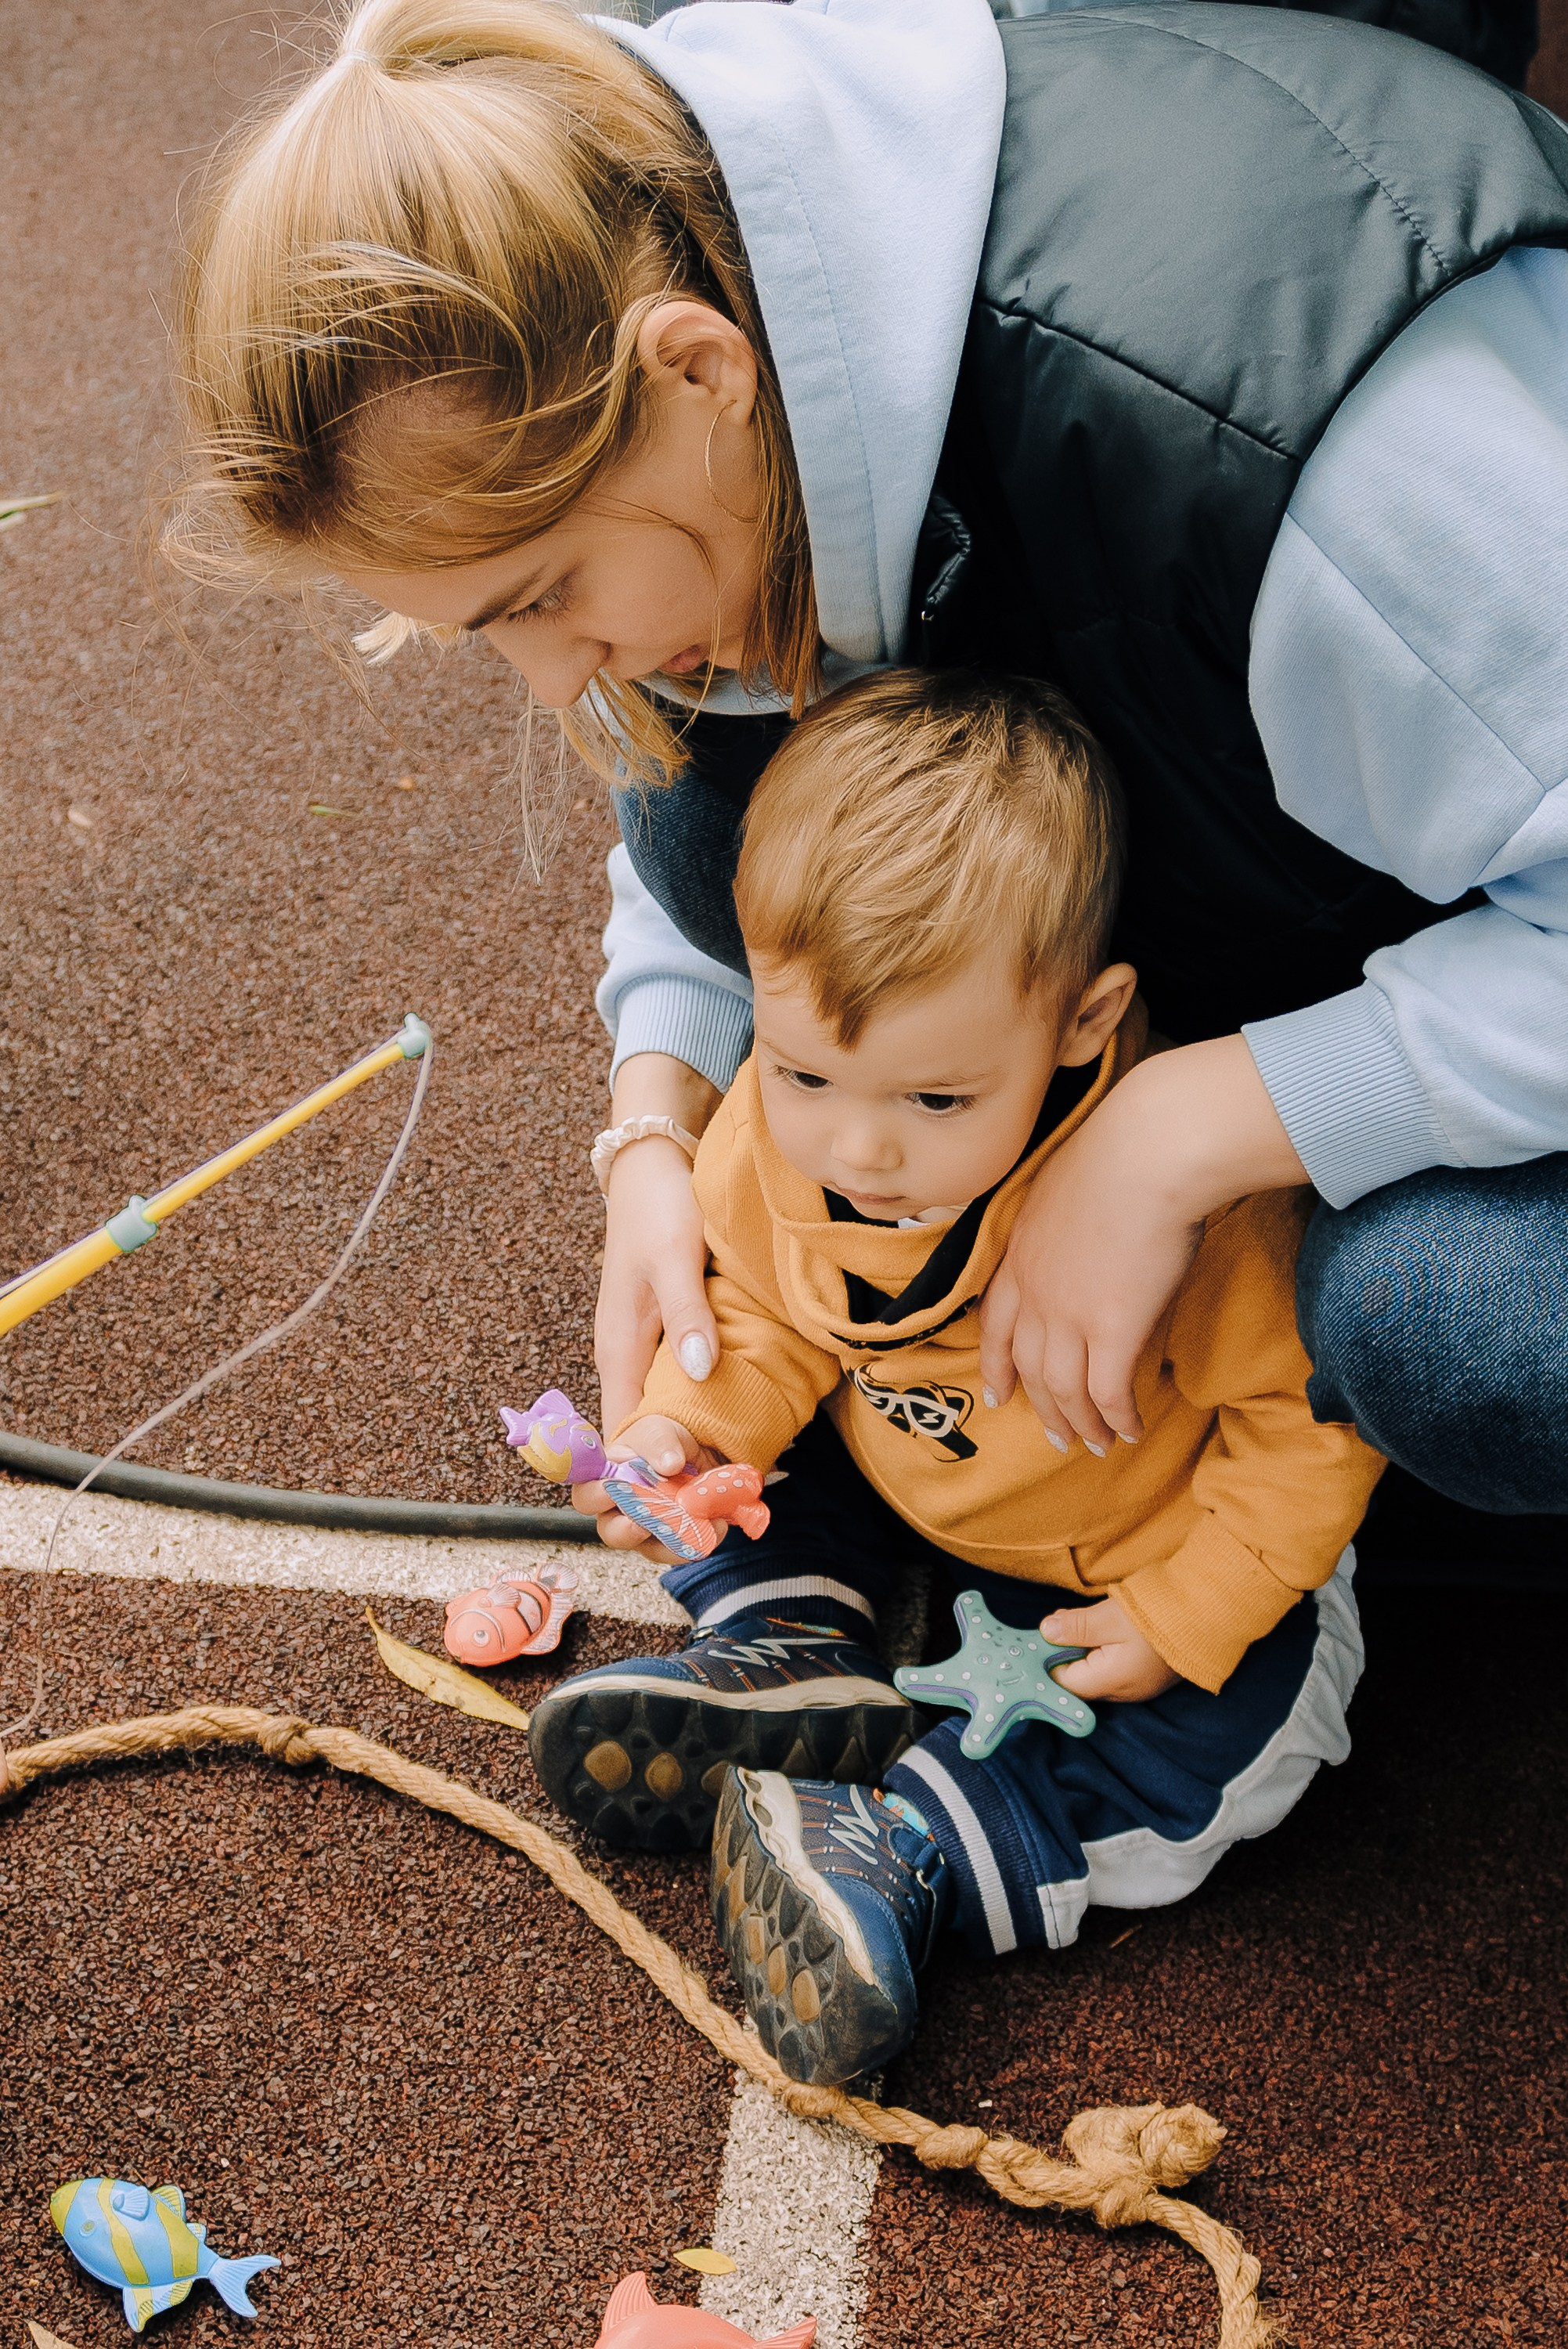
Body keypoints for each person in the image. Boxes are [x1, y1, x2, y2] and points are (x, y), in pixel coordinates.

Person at [165, 0, 1568, 1542]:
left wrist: (1178, 1137)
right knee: (717, 820)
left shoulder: (1304, 470)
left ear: (696, 371)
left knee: (1461, 1334)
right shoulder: (724, 272)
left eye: (542, 594)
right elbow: (679, 844)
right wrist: (659, 1125)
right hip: (1352, 796)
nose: (550, 675)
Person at [527, 668, 1382, 2085]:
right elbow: (774, 1316)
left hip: (1142, 1545)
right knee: (748, 1443)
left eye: (934, 1101)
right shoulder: (775, 1127)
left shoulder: (1203, 1218)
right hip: (912, 1462)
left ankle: (904, 1847)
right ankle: (788, 1643)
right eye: (807, 1076)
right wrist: (690, 1431)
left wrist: (1192, 1606)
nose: (857, 1150)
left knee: (1257, 1726)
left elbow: (1307, 1428)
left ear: (1084, 1024)